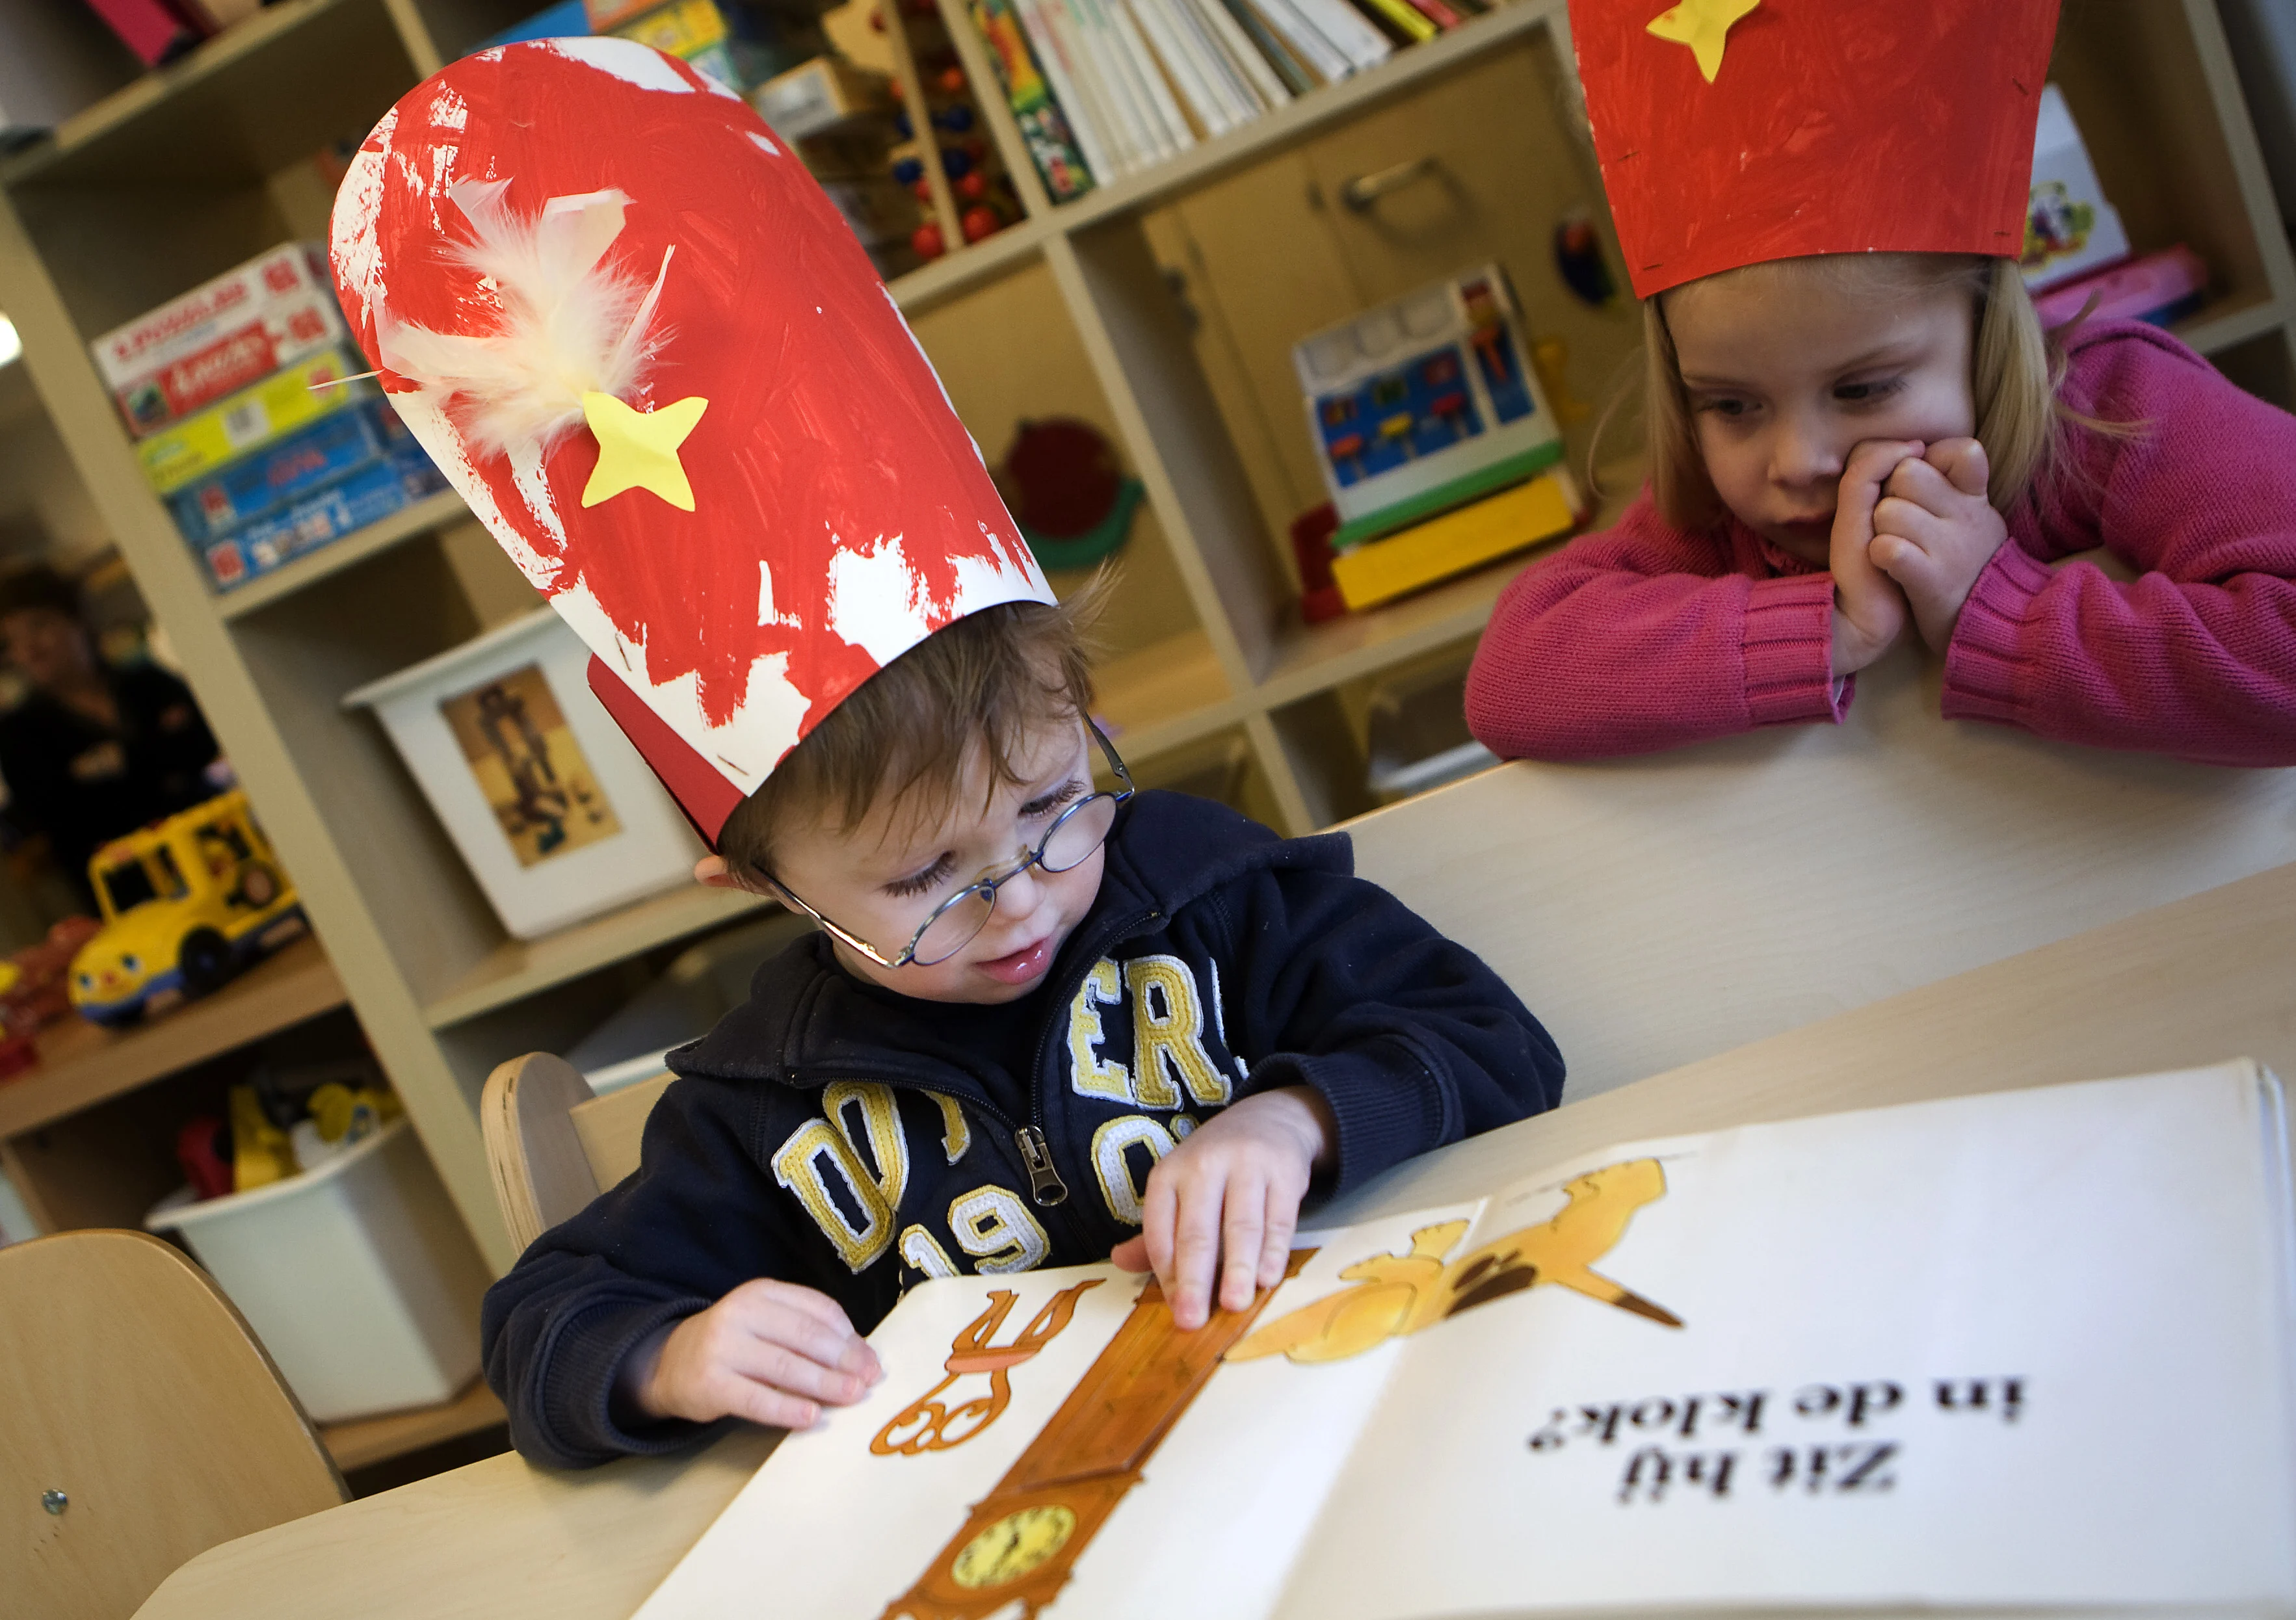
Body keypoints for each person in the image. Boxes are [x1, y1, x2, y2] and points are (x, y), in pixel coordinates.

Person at [329, 39, 1562, 1472]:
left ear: (1088, 723)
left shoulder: (1217, 900)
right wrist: (670, 1357)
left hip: (1345, 1419)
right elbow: (541, 1321)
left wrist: (1292, 1122)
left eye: (1053, 805)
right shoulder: (766, 1103)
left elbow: (1492, 1042)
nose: (1022, 894)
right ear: (764, 884)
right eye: (926, 881)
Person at [1464, 0, 2296, 768]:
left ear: (1984, 327)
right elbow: (1511, 676)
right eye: (1732, 404)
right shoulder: (1722, 516)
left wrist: (2001, 610)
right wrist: (1824, 632)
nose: (1797, 460)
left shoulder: (2115, 405)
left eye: (1862, 390)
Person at [0, 562, 222, 904]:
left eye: (38, 626)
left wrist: (115, 767)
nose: (29, 648)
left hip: (214, 852)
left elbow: (205, 744)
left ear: (77, 619)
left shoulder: (148, 682)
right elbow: (63, 817)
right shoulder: (20, 734)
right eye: (12, 641)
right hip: (129, 890)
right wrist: (155, 755)